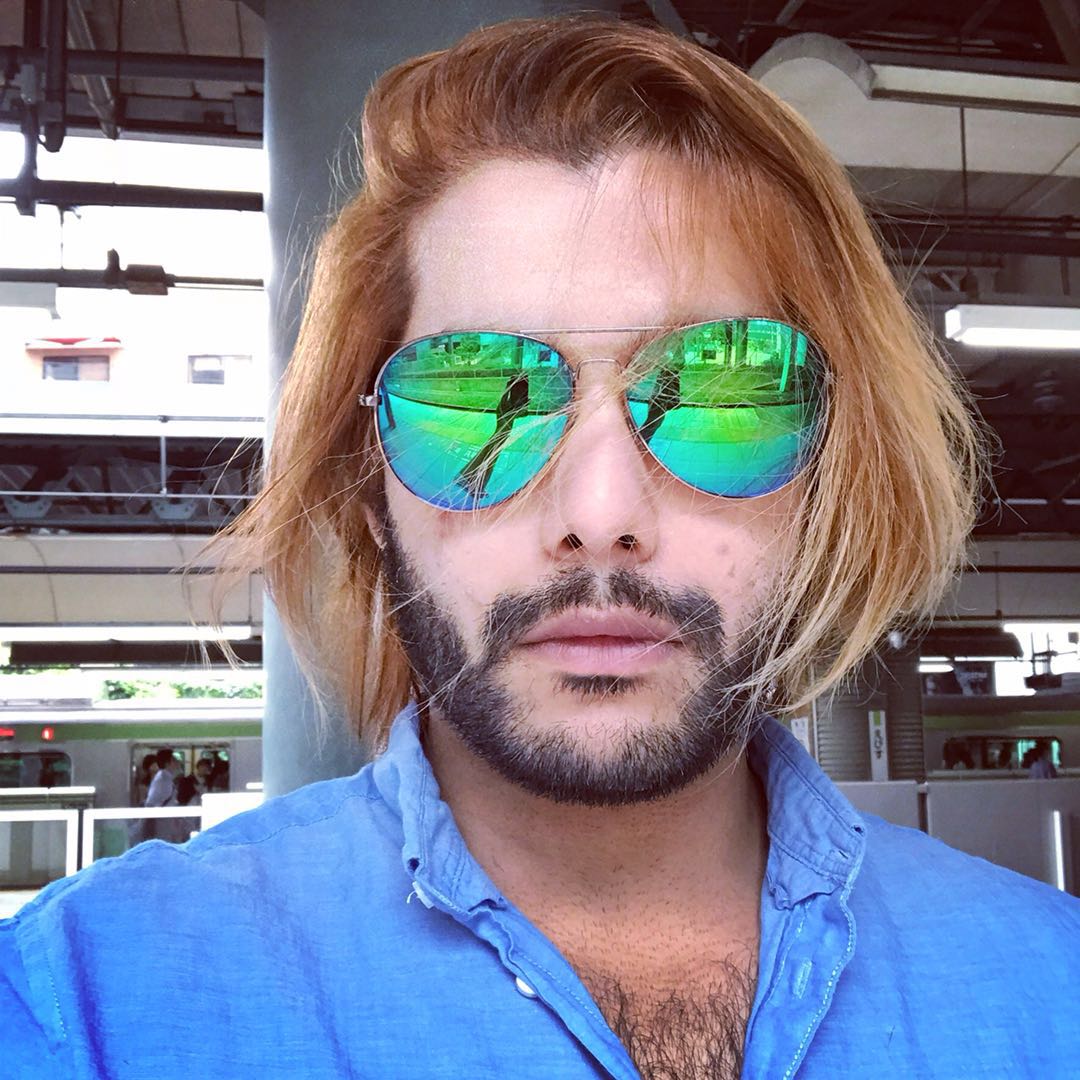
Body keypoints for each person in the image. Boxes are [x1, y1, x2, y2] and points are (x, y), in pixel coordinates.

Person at [2, 16, 1078, 1079]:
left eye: (722, 391)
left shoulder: (1051, 989)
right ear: (370, 489)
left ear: (828, 474)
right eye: (474, 399)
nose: (601, 513)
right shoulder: (82, 1010)